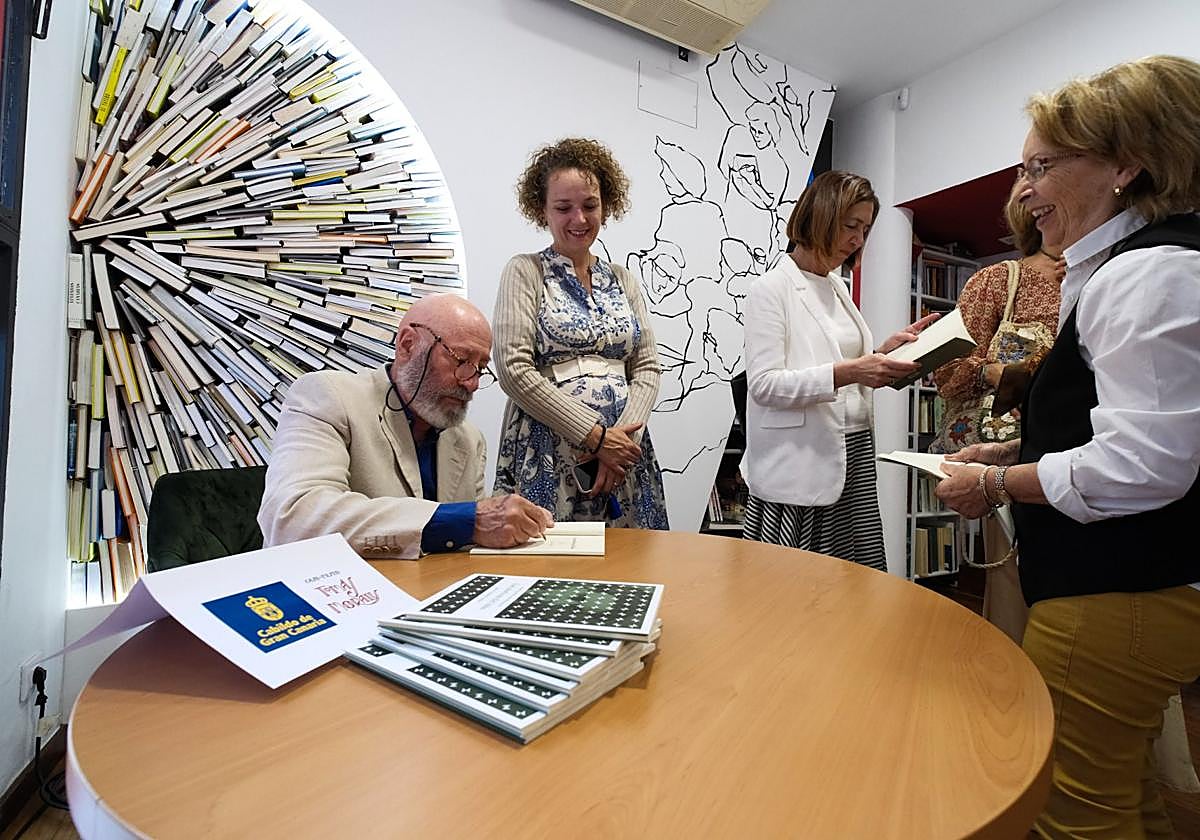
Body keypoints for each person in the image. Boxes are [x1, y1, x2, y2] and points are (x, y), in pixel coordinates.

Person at [937, 55, 1200, 839]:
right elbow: (1125, 419)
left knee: (1071, 810)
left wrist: (997, 485)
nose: (1023, 192)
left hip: (1114, 589)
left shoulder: (1144, 275)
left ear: (1128, 163)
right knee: (1125, 791)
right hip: (1142, 584)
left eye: (1042, 167)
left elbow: (1143, 464)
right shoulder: (1144, 266)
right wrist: (1018, 446)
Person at [740, 171, 937, 570]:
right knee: (795, 590)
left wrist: (883, 352)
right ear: (821, 215)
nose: (858, 240)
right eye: (851, 226)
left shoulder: (837, 287)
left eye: (865, 228)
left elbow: (842, 363)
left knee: (851, 582)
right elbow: (763, 385)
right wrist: (852, 372)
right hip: (800, 463)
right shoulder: (771, 289)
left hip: (854, 451)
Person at [259, 294, 553, 558]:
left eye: (480, 368)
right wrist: (467, 520)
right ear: (407, 345)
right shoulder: (328, 396)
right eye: (462, 360)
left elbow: (467, 545)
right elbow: (292, 517)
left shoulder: (468, 439)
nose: (472, 383)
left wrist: (505, 526)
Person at [493, 138, 669, 528]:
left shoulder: (624, 279)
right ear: (542, 209)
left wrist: (623, 444)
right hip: (549, 451)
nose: (579, 218)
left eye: (590, 205)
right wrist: (595, 437)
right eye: (563, 207)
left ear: (607, 204)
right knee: (552, 570)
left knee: (634, 569)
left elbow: (648, 367)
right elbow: (513, 368)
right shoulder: (525, 271)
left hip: (625, 459)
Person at [929, 186, 1065, 643]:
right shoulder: (1000, 282)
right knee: (1015, 593)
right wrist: (1005, 375)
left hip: (1086, 455)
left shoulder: (1109, 277)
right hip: (1012, 455)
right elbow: (946, 365)